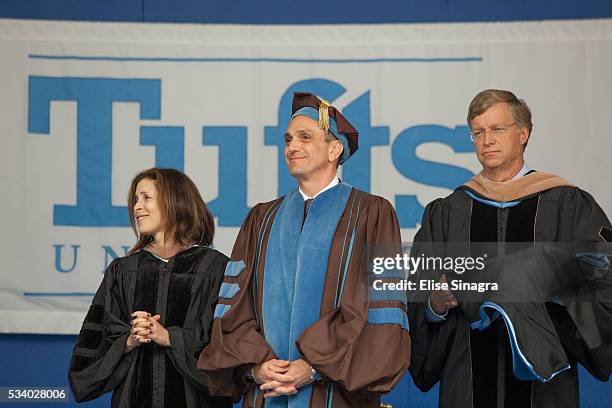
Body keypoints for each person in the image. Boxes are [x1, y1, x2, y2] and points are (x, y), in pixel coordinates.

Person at [198, 92, 410, 407]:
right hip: (265, 392)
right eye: (288, 139)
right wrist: (257, 368)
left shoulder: (371, 213)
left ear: (335, 149)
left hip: (334, 395)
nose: (291, 147)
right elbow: (234, 309)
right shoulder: (261, 218)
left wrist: (311, 368)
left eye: (305, 138)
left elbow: (377, 312)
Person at [407, 89, 612, 408]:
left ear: (523, 133)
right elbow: (418, 289)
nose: (486, 140)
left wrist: (551, 284)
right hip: (468, 373)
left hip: (546, 377)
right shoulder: (449, 211)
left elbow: (601, 272)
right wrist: (434, 303)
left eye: (497, 129)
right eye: (478, 132)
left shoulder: (566, 203)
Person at [69, 168, 232, 408]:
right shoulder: (123, 270)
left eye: (146, 198)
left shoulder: (214, 267)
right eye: (135, 200)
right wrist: (129, 340)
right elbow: (93, 351)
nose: (137, 207)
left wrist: (169, 337)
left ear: (175, 201)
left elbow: (225, 343)